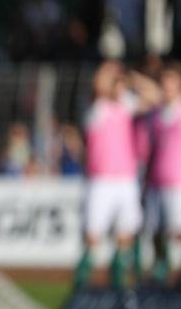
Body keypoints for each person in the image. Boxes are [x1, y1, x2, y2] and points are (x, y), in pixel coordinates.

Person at [73, 61, 160, 289]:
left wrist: (133, 79)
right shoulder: (96, 109)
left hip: (126, 179)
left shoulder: (125, 106)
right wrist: (109, 72)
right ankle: (82, 283)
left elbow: (154, 97)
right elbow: (99, 86)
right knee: (93, 233)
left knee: (126, 232)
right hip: (101, 180)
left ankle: (118, 280)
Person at [143, 63, 181, 282]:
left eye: (170, 85)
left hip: (177, 182)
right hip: (157, 180)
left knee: (177, 231)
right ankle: (161, 271)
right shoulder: (156, 116)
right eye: (163, 85)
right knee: (156, 231)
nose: (166, 89)